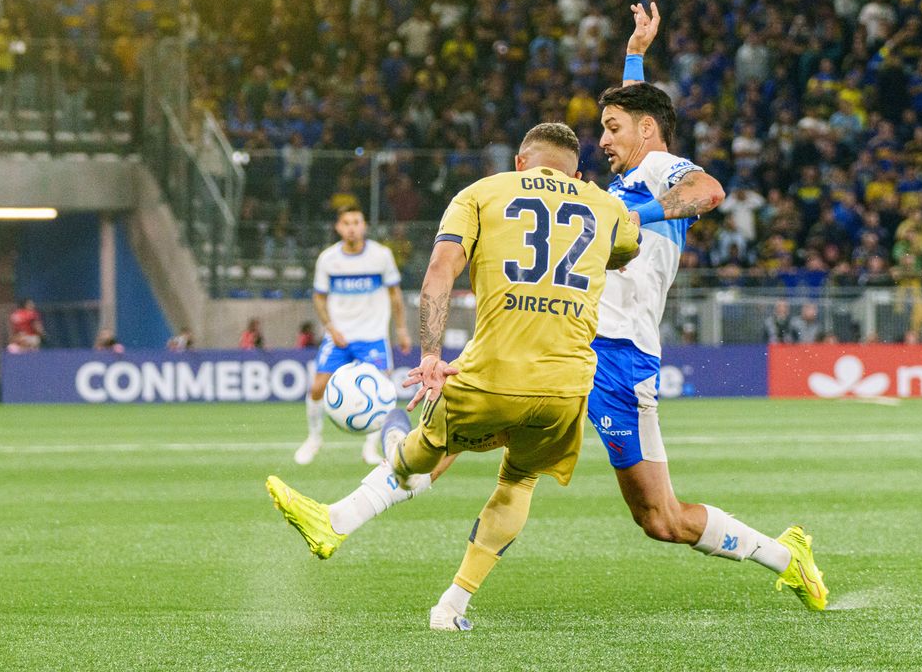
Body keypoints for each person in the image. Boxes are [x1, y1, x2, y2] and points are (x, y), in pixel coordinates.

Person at [266, 121, 642, 631]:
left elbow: (441, 269)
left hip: (493, 373)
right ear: (576, 171)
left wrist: (428, 354)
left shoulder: (481, 193)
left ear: (519, 163)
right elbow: (627, 249)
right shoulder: (605, 206)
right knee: (518, 481)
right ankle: (452, 607)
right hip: (568, 386)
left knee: (427, 446)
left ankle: (336, 519)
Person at [579, 4, 827, 612]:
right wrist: (635, 51)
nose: (602, 139)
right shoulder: (632, 172)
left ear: (643, 131)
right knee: (490, 420)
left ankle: (784, 556)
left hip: (618, 355)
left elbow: (709, 191)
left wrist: (630, 217)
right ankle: (361, 511)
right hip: (585, 345)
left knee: (661, 520)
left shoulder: (658, 168)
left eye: (612, 128)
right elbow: (642, 117)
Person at [293, 206, 412, 466]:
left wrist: (401, 329)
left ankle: (370, 448)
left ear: (364, 225)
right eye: (346, 222)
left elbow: (395, 294)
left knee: (381, 392)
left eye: (356, 222)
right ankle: (314, 439)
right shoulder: (328, 258)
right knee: (316, 388)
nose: (351, 227)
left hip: (372, 336)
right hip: (339, 336)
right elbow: (319, 297)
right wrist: (330, 327)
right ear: (338, 227)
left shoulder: (381, 256)